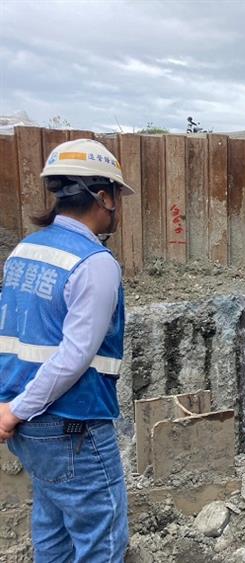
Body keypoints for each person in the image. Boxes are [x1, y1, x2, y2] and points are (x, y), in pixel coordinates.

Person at [0, 138, 134, 561]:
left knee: (52, 531)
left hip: (30, 421)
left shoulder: (26, 250)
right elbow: (73, 357)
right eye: (116, 196)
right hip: (71, 423)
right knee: (102, 541)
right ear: (102, 196)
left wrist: (13, 408)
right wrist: (19, 410)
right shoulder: (94, 263)